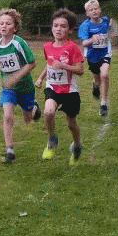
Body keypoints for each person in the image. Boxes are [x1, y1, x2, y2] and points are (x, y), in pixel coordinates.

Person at [0, 7, 40, 163]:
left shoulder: (18, 43)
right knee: (7, 116)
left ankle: (33, 107)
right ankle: (10, 152)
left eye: (8, 23)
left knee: (28, 119)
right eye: (1, 23)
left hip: (25, 88)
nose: (4, 26)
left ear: (15, 27)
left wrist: (15, 76)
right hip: (8, 88)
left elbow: (32, 63)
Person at [34, 9, 85, 166]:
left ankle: (76, 145)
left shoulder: (72, 48)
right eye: (55, 25)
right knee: (48, 111)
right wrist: (41, 77)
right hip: (53, 88)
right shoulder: (47, 46)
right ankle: (52, 138)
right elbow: (49, 65)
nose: (58, 29)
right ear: (51, 28)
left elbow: (80, 70)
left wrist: (64, 65)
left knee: (71, 123)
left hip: (69, 91)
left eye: (63, 26)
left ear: (69, 30)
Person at [78, 0, 113, 116]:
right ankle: (95, 86)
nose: (94, 11)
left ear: (100, 10)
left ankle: (103, 104)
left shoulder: (106, 20)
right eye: (91, 10)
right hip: (92, 56)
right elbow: (83, 43)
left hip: (105, 53)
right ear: (87, 13)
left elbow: (109, 30)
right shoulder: (85, 26)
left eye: (96, 9)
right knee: (97, 80)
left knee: (105, 74)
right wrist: (93, 39)